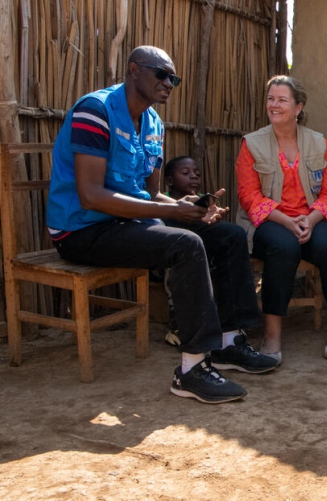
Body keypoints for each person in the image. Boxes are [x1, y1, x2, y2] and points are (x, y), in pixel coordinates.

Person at [46, 45, 254, 403]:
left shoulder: (154, 123)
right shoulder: (95, 111)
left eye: (173, 78)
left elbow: (151, 195)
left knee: (228, 235)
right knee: (185, 245)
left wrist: (187, 206)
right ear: (133, 70)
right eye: (161, 74)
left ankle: (228, 341)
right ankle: (191, 369)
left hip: (127, 225)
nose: (169, 83)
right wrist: (173, 215)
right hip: (82, 230)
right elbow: (91, 196)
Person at [235, 75, 327, 363]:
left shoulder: (319, 144)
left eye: (281, 100)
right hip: (270, 221)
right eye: (271, 99)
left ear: (298, 107)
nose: (274, 105)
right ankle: (272, 333)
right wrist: (287, 222)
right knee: (283, 249)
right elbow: (249, 197)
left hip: (310, 217)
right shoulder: (251, 144)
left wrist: (310, 221)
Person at [161, 156, 278, 373]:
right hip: (157, 225)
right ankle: (204, 339)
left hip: (189, 230)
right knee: (194, 243)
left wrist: (207, 216)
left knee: (232, 235)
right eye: (185, 173)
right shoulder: (163, 201)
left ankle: (230, 339)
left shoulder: (199, 204)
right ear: (169, 181)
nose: (193, 176)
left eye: (196, 172)